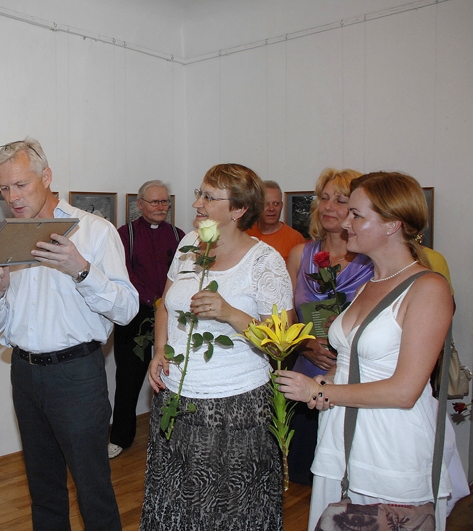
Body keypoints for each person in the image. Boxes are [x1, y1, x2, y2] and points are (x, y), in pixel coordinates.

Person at [276, 171, 455, 531]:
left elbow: (406, 391)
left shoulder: (427, 288)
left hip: (389, 443)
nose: (346, 222)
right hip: (343, 436)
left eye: (356, 214)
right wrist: (328, 377)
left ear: (392, 224)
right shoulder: (371, 281)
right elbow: (361, 362)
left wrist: (320, 389)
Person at [0, 137, 138, 531]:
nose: (12, 196)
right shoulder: (8, 238)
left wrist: (82, 270)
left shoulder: (94, 231)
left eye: (21, 184)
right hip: (25, 373)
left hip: (77, 375)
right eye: (4, 188)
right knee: (43, 489)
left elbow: (128, 308)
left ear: (46, 177)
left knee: (92, 488)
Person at [142, 163, 292, 530]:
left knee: (229, 510)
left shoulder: (265, 262)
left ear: (239, 210)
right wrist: (159, 349)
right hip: (177, 400)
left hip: (235, 408)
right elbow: (166, 304)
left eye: (209, 197)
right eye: (200, 192)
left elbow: (280, 346)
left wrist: (230, 314)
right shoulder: (190, 245)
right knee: (176, 504)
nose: (197, 203)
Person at [284, 168, 374, 486]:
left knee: (349, 472)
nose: (328, 207)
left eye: (340, 200)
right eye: (323, 198)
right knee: (303, 472)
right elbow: (285, 316)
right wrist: (305, 345)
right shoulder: (299, 254)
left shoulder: (371, 262)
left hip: (353, 375)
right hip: (307, 370)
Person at [108, 180, 185, 460]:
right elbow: (124, 273)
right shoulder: (123, 234)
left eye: (165, 202)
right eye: (155, 202)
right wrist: (153, 300)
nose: (161, 207)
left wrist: (165, 303)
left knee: (171, 376)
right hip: (135, 314)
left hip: (172, 315)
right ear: (139, 205)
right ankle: (120, 438)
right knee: (128, 378)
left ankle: (170, 435)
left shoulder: (179, 236)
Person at [245, 180, 306, 261]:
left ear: (282, 206)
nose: (271, 208)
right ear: (257, 205)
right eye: (266, 204)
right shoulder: (244, 234)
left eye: (276, 203)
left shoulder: (296, 239)